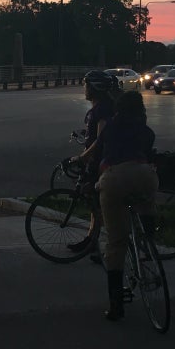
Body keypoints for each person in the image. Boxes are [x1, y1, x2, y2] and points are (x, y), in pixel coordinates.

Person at [95, 90, 158, 320]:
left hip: (115, 177)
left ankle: (116, 305)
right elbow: (148, 151)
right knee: (147, 202)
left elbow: (99, 155)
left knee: (116, 242)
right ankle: (148, 240)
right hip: (144, 174)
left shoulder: (110, 127)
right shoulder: (145, 129)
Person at [67, 69, 120, 257]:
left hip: (102, 163)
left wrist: (84, 156)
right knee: (94, 203)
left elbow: (101, 139)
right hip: (99, 161)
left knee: (101, 204)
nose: (84, 88)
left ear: (94, 88)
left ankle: (103, 245)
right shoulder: (102, 107)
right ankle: (92, 239)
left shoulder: (102, 109)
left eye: (86, 85)